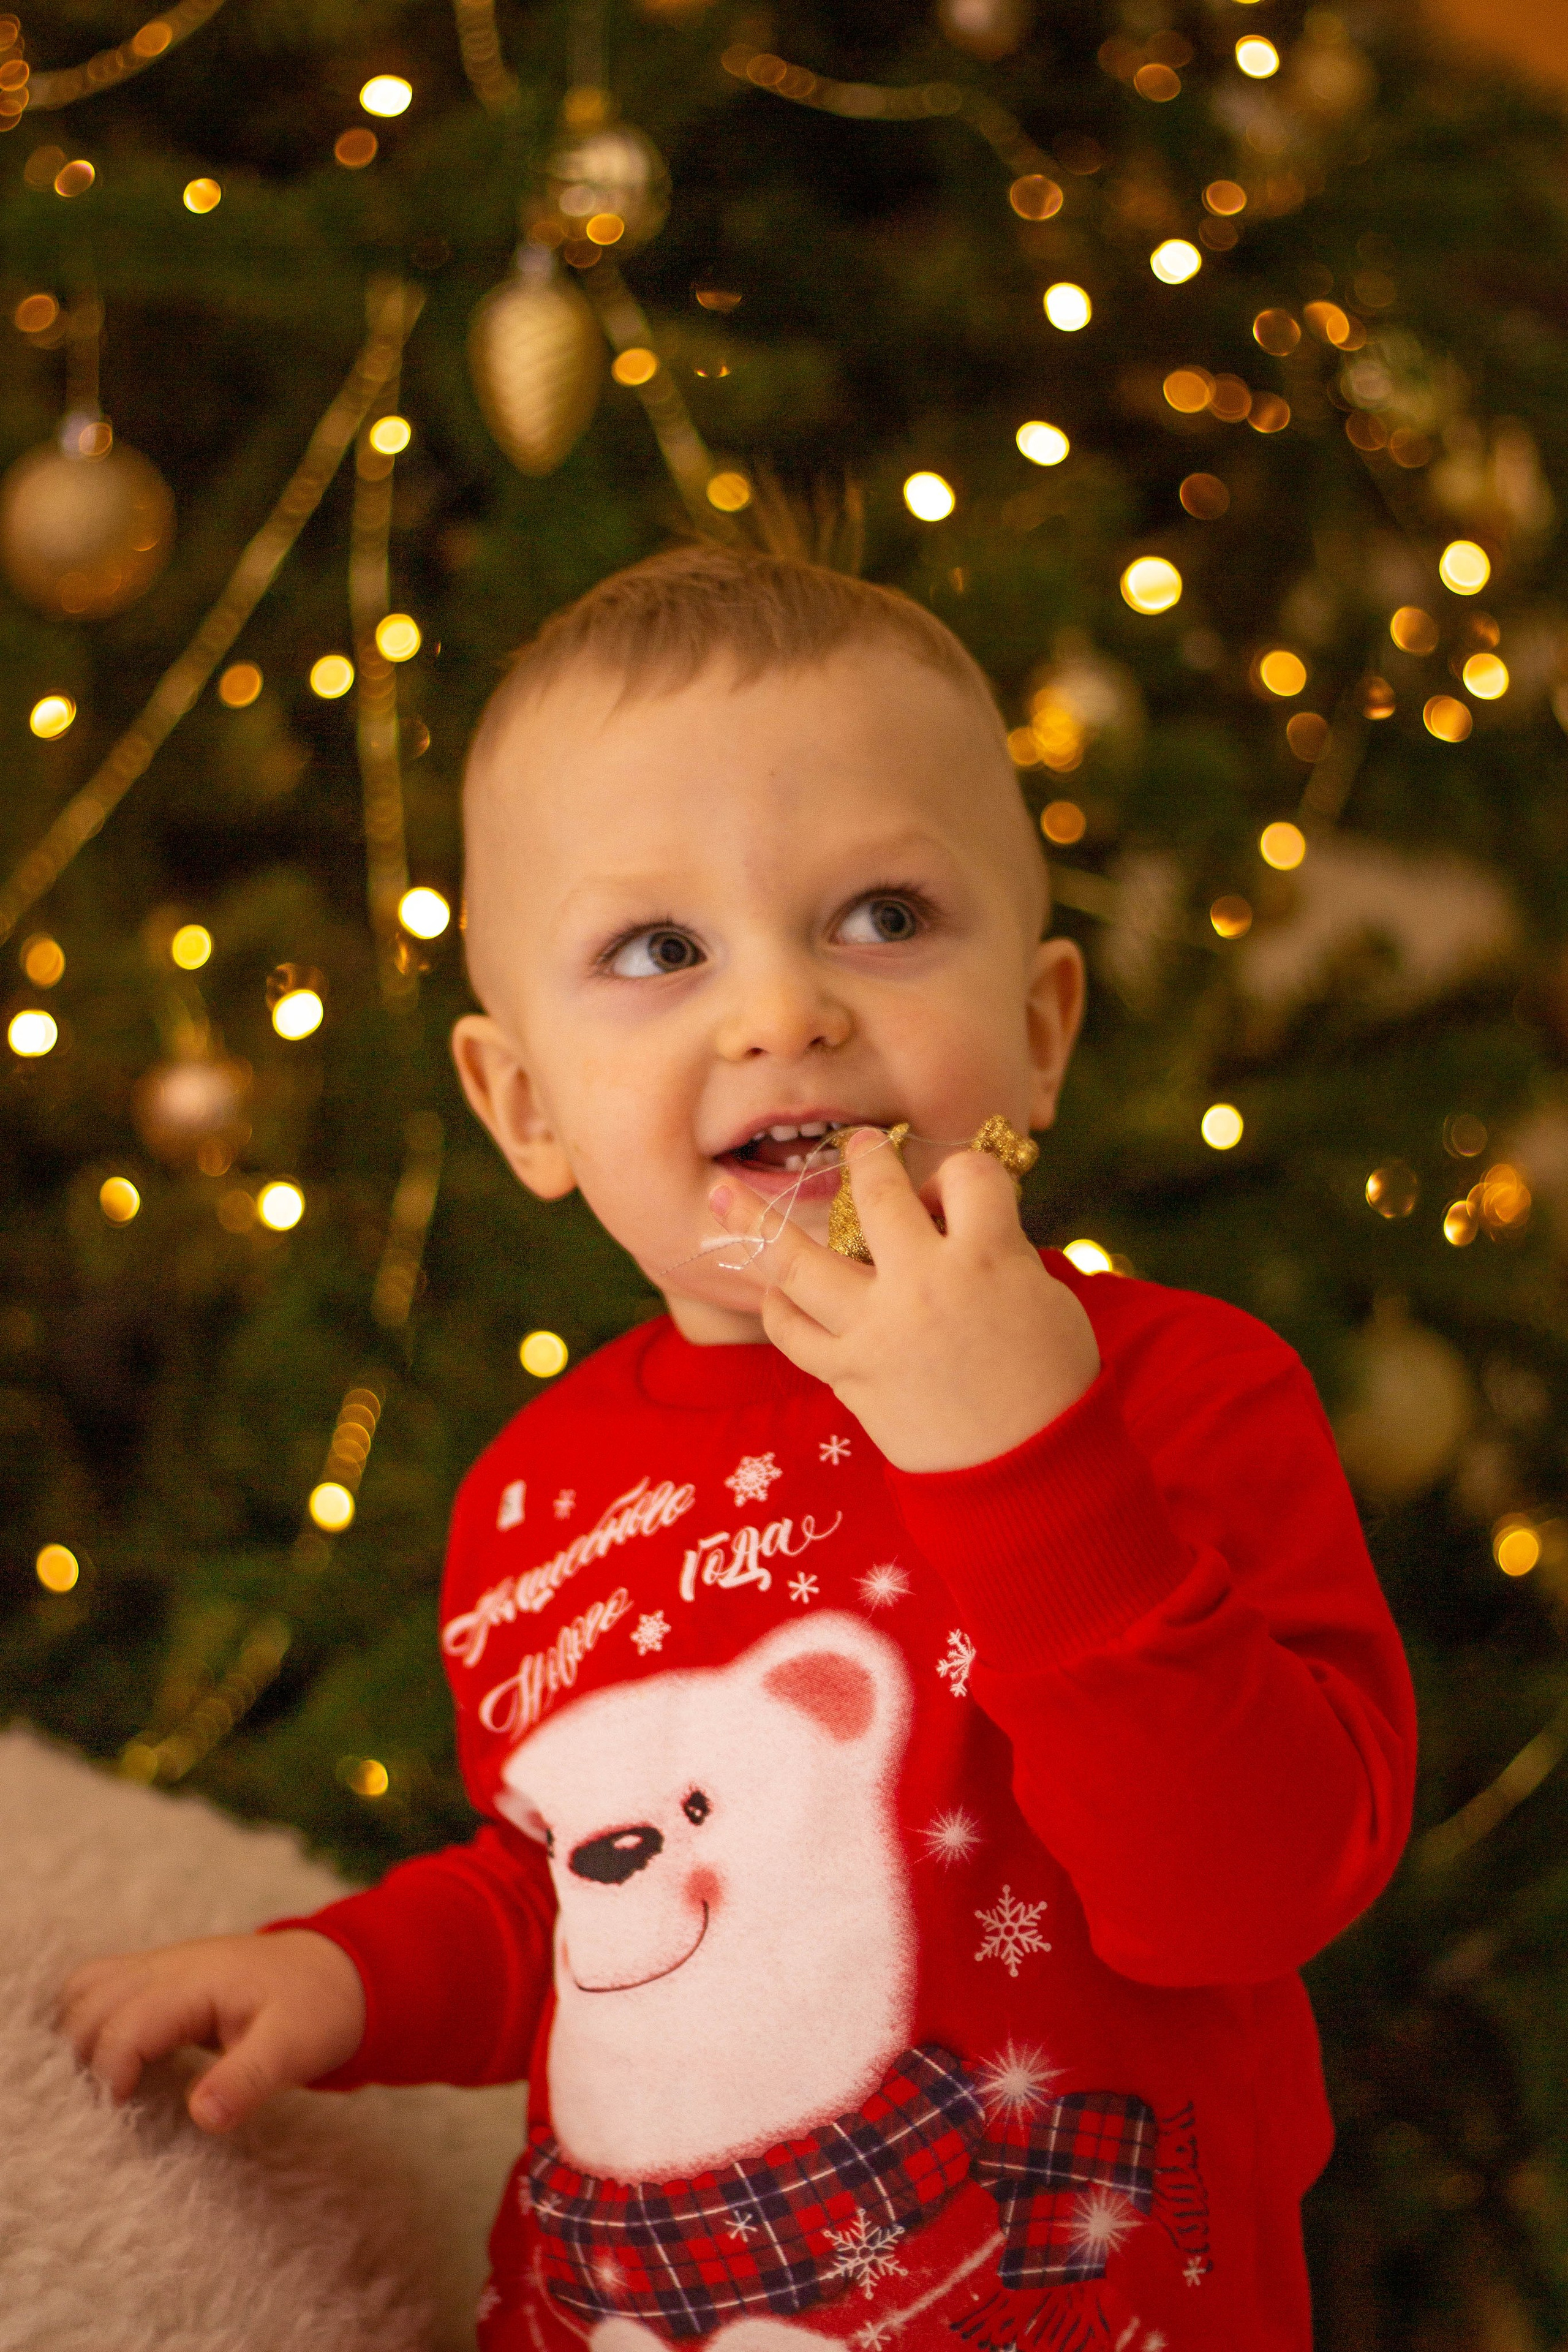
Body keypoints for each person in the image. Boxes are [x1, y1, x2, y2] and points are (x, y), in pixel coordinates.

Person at [60, 545, 1416, 2352]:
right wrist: (349, 1973)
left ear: (1037, 1031)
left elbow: (1244, 1890)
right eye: (658, 949)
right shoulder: (534, 1496)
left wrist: (1023, 1459)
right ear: (527, 1105)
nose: (782, 1010)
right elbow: (573, 1900)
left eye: (883, 918)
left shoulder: (1174, 1388)